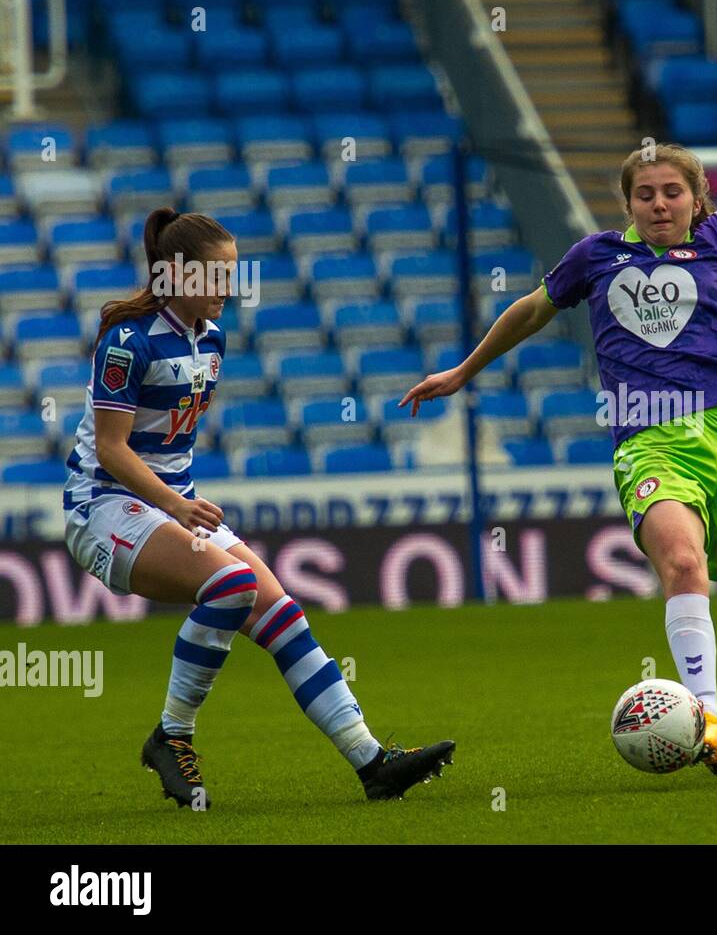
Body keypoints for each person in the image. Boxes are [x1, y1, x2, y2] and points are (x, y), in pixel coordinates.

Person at [402, 0, 717, 774]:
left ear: (696, 199)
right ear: (629, 203)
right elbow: (532, 309)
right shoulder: (596, 257)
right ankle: (703, 715)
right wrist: (465, 370)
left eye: (674, 191)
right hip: (649, 437)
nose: (661, 203)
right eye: (646, 194)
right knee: (681, 562)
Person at [64, 208, 454, 808]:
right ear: (179, 276)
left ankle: (371, 761)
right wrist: (176, 505)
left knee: (281, 613)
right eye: (219, 274)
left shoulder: (212, 339)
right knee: (232, 585)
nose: (231, 286)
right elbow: (113, 451)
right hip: (104, 506)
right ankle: (171, 734)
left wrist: (177, 502)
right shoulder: (127, 342)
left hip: (170, 505)